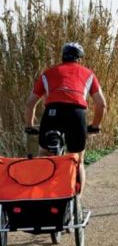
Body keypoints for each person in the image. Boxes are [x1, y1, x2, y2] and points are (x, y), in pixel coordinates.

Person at [24, 42, 107, 196]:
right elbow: (101, 105)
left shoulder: (48, 73)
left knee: (43, 153)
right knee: (77, 160)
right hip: (77, 114)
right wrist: (95, 125)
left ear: (62, 57)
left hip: (52, 113)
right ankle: (77, 202)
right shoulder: (88, 74)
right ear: (79, 59)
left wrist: (29, 126)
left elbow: (30, 104)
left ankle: (40, 195)